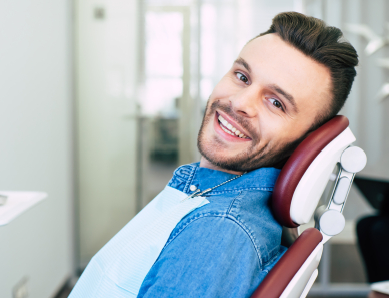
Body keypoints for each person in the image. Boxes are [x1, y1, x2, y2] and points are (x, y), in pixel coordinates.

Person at [71, 11, 359, 298]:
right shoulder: (211, 198)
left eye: (276, 102)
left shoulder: (219, 228)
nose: (239, 102)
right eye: (242, 76)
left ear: (305, 142)